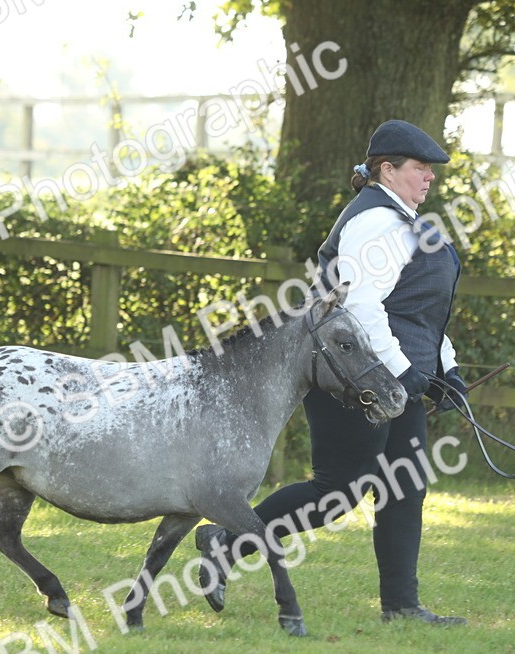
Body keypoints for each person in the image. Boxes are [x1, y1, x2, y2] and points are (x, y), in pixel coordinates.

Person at [196, 119, 469, 625]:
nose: (430, 177)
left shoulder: (407, 221)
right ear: (387, 170)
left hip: (395, 377)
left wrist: (445, 370)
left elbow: (418, 312)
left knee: (404, 488)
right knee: (337, 492)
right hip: (351, 377)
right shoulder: (374, 222)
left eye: (431, 170)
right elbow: (361, 306)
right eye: (420, 168)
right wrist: (403, 371)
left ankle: (402, 607)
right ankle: (226, 542)